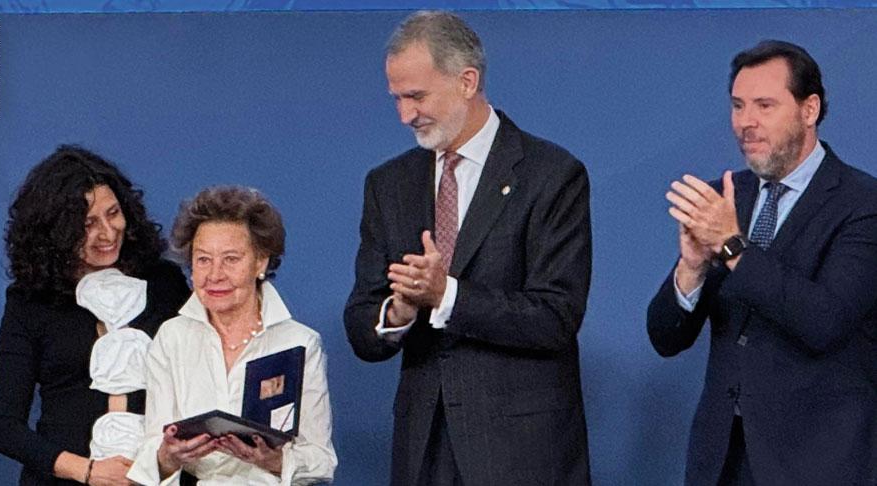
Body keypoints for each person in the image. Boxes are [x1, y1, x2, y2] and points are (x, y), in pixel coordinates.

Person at [344, 11, 592, 485]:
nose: (404, 115)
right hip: (424, 449)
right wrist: (396, 313)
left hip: (521, 452)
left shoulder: (551, 175)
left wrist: (446, 296)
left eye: (416, 96)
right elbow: (361, 320)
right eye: (396, 98)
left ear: (467, 80)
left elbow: (556, 316)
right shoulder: (388, 184)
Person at [647, 40, 877, 485]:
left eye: (765, 105)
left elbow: (824, 321)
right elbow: (665, 338)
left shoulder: (862, 204)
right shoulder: (728, 197)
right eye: (737, 106)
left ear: (809, 110)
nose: (745, 122)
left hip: (818, 461)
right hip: (722, 460)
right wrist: (691, 269)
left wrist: (732, 246)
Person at [0, 145, 190, 485]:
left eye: (113, 213)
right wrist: (88, 471)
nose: (107, 233)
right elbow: (5, 428)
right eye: (88, 223)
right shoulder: (30, 301)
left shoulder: (164, 282)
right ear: (56, 232)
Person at [127, 186, 336, 485]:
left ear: (260, 262)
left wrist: (275, 461)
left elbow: (322, 461)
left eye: (231, 259)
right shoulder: (172, 338)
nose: (215, 275)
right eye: (203, 260)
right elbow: (153, 448)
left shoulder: (300, 343)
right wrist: (168, 457)